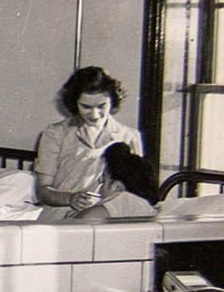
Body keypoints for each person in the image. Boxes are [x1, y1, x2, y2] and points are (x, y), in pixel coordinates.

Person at [35, 66, 143, 219]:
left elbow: (136, 192)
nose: (94, 114)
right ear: (74, 103)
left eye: (102, 106)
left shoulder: (130, 136)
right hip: (60, 219)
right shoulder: (55, 134)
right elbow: (42, 191)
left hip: (109, 218)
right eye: (86, 107)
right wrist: (70, 199)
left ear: (112, 101)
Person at [72, 143, 158, 220]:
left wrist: (75, 217)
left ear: (117, 187)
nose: (99, 189)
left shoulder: (120, 202)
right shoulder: (147, 209)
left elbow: (84, 220)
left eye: (103, 181)